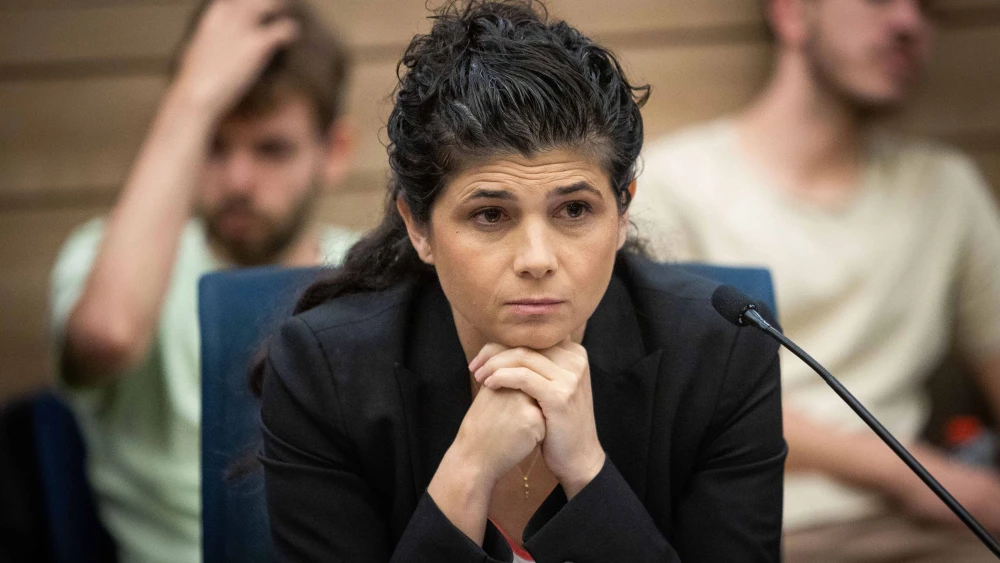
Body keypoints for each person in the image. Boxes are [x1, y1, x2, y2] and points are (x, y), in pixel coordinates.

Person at [256, 1, 786, 561]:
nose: (537, 259)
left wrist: (587, 471)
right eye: (490, 215)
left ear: (622, 212)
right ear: (418, 227)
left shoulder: (723, 354)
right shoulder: (324, 371)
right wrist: (467, 468)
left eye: (574, 210)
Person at [630, 0, 1000, 560]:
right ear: (792, 13)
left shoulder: (946, 187)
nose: (908, 23)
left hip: (938, 524)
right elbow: (690, 405)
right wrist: (912, 474)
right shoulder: (674, 187)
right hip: (771, 526)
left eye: (927, 7)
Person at [48, 0, 357, 561]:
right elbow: (107, 334)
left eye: (271, 149)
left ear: (333, 153)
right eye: (214, 143)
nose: (238, 180)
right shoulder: (106, 258)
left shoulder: (365, 274)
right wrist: (193, 97)